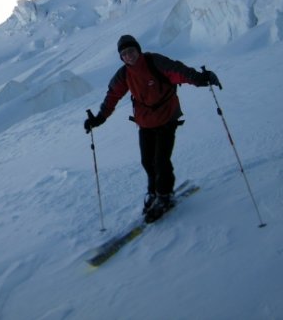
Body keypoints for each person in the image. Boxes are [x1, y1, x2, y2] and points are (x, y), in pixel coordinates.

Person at [84, 34, 221, 223]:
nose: (128, 56)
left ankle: (164, 195)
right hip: (145, 122)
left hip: (167, 118)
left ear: (138, 50)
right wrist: (98, 119)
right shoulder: (124, 74)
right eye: (124, 54)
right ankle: (153, 192)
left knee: (160, 160)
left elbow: (178, 71)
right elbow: (112, 96)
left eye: (131, 51)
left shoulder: (155, 62)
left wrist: (200, 79)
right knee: (147, 161)